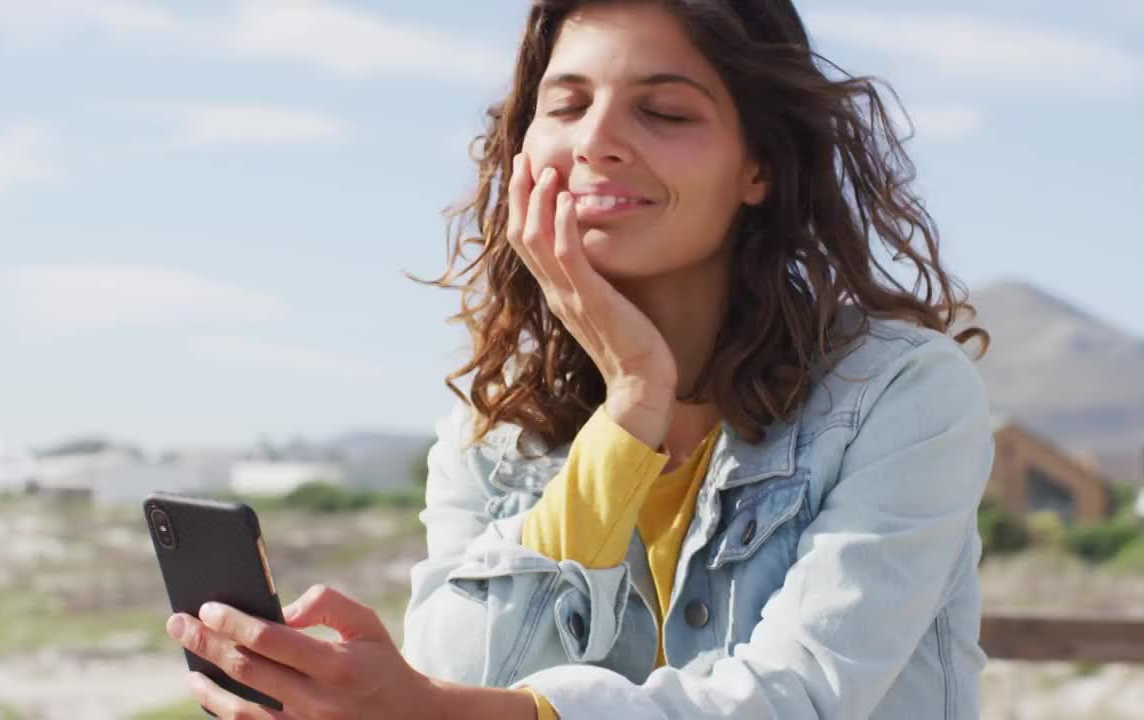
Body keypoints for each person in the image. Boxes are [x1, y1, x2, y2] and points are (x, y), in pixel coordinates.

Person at [162, 1, 992, 718]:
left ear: (760, 168)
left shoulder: (901, 394)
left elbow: (797, 699)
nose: (596, 142)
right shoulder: (493, 433)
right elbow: (456, 686)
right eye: (565, 106)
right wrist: (631, 406)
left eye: (664, 113)